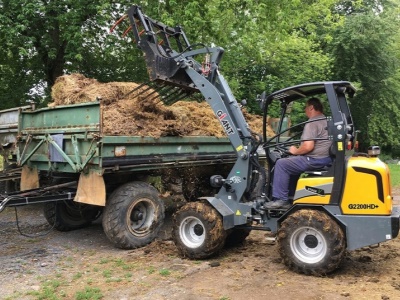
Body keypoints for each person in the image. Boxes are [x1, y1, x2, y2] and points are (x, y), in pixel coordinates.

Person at [264, 97, 332, 209]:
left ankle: (281, 200)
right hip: (325, 158)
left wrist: (295, 151)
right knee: (293, 163)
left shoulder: (313, 123)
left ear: (311, 107)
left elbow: (308, 146)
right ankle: (291, 196)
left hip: (315, 160)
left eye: (306, 107)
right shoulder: (325, 120)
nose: (305, 110)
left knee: (282, 164)